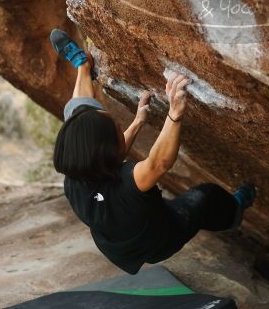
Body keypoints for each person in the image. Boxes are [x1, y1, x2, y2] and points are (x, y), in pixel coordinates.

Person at [49, 29, 256, 274]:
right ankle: (234, 213)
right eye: (117, 127)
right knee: (204, 197)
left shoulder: (77, 169)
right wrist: (175, 112)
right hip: (157, 240)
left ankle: (84, 66)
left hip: (117, 234)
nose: (118, 124)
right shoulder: (126, 187)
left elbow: (109, 151)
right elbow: (158, 164)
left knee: (78, 116)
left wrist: (137, 122)